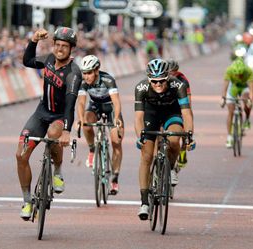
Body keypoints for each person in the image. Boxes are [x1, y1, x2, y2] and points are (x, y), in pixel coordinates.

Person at [16, 27, 82, 220]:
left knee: (54, 134)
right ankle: (27, 201)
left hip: (60, 116)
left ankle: (58, 172)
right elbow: (27, 61)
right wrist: (33, 40)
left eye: (64, 46)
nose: (60, 49)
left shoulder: (74, 73)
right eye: (57, 45)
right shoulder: (48, 60)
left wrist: (67, 131)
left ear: (71, 50)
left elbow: (71, 103)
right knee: (20, 155)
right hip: (41, 113)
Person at [134, 58, 195, 220]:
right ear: (149, 79)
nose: (158, 85)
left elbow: (187, 113)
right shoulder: (141, 87)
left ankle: (171, 167)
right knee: (146, 156)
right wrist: (140, 135)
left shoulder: (178, 86)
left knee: (175, 139)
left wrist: (189, 135)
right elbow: (138, 117)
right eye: (154, 81)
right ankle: (144, 202)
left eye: (161, 80)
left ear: (167, 77)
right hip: (151, 115)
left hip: (171, 113)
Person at [77, 54, 124, 195]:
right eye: (84, 73)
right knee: (86, 122)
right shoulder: (83, 82)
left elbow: (116, 101)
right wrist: (79, 119)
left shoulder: (108, 79)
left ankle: (115, 178)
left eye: (89, 73)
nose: (86, 76)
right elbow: (81, 102)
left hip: (110, 108)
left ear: (96, 70)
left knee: (116, 141)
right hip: (95, 106)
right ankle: (92, 150)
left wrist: (116, 118)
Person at [221, 58, 253, 148]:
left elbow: (252, 89)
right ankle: (229, 137)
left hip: (244, 87)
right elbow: (225, 86)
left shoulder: (249, 71)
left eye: (241, 75)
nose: (239, 76)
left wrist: (250, 101)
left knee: (246, 100)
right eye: (237, 75)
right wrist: (223, 98)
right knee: (230, 111)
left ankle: (247, 119)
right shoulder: (229, 70)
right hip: (233, 88)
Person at [167, 59, 193, 169]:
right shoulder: (163, 79)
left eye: (173, 72)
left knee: (186, 123)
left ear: (177, 71)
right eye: (169, 72)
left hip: (180, 104)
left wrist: (186, 113)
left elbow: (188, 101)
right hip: (167, 104)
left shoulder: (183, 81)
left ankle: (183, 150)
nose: (171, 74)